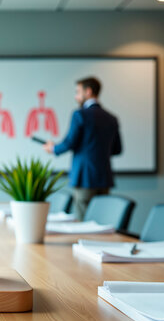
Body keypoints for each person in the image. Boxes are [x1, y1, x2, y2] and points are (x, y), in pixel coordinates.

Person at [43, 77, 122, 220]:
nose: (76, 96)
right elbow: (117, 149)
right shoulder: (111, 118)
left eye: (78, 92)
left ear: (88, 91)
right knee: (102, 220)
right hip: (104, 177)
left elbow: (69, 142)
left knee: (83, 221)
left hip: (84, 177)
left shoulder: (80, 114)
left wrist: (53, 148)